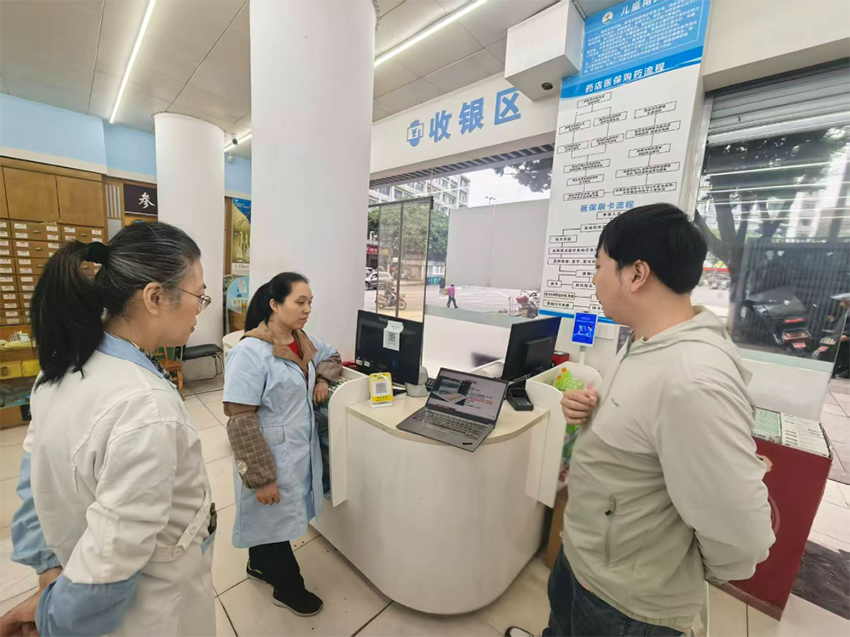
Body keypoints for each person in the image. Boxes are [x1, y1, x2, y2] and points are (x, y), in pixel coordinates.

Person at [507, 204, 775, 637]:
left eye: (599, 265)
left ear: (636, 274)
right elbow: (645, 430)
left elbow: (741, 530)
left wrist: (682, 567)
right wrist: (595, 412)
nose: (594, 278)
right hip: (585, 560)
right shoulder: (645, 340)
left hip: (626, 604)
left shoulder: (692, 379)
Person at [0, 223, 215, 637]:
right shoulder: (146, 406)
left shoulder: (59, 370)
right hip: (148, 609)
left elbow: (33, 483)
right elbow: (111, 561)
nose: (199, 310)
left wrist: (49, 572)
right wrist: (51, 617)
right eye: (199, 296)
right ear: (155, 297)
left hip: (72, 573)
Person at [223, 273, 342, 616]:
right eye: (300, 302)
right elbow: (241, 420)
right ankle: (289, 587)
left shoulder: (301, 341)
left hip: (296, 451)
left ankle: (258, 564)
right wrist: (261, 478)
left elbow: (332, 355)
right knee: (272, 522)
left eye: (310, 303)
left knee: (271, 520)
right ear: (275, 305)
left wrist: (322, 378)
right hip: (268, 455)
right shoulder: (250, 352)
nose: (307, 309)